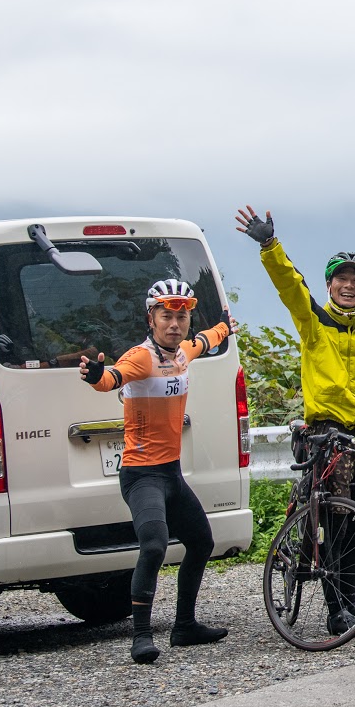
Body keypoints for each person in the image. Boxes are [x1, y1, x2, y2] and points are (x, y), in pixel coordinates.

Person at [234, 205, 355, 632]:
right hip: (325, 435)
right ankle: (335, 611)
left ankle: (352, 605)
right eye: (342, 279)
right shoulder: (314, 321)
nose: (349, 285)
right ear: (330, 285)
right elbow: (289, 286)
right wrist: (269, 244)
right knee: (333, 520)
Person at [78, 280, 232, 664]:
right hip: (140, 474)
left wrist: (225, 326)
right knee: (154, 545)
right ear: (152, 318)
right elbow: (111, 378)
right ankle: (141, 636)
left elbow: (206, 340)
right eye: (167, 316)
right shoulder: (141, 357)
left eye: (181, 316)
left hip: (171, 475)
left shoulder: (183, 351)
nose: (175, 324)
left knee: (201, 542)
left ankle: (184, 627)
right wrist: (97, 374)